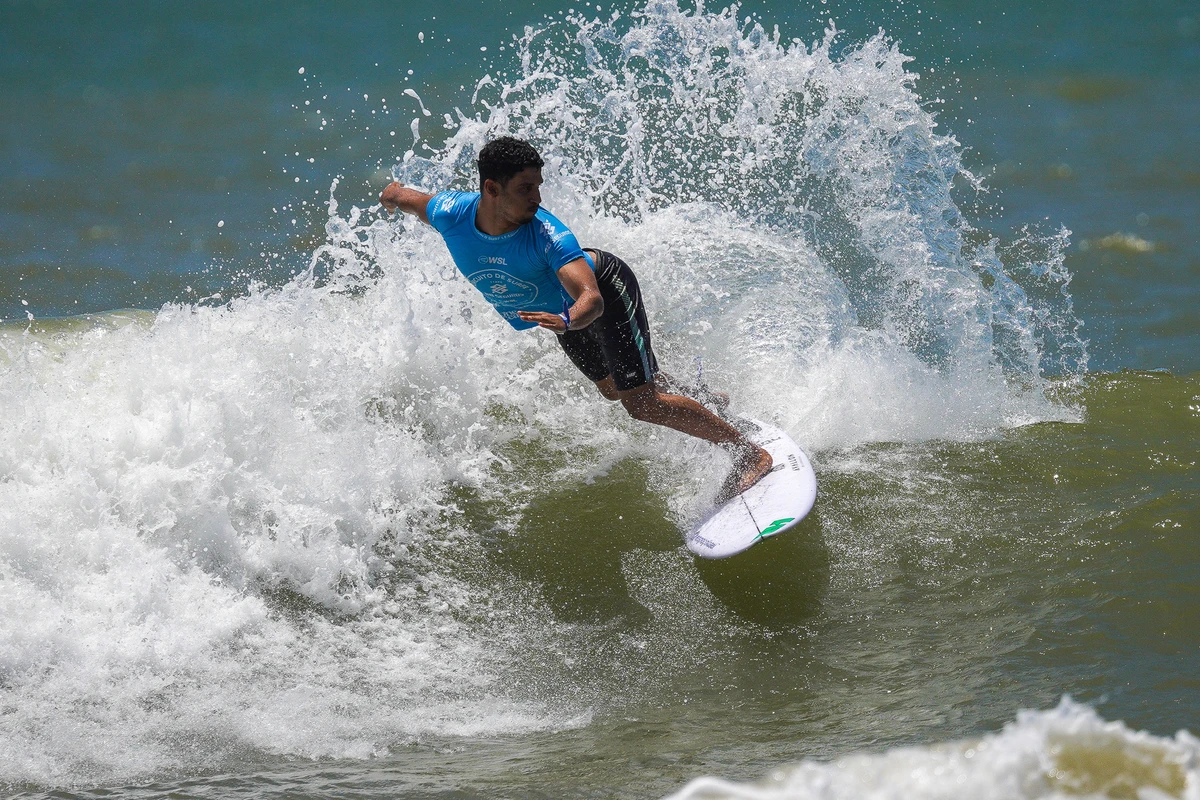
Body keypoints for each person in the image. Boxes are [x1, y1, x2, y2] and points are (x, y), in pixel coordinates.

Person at [378, 136, 772, 500]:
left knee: (641, 404)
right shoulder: (450, 213)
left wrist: (568, 322)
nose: (537, 197)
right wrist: (390, 196)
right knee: (613, 388)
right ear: (491, 189)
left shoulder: (548, 236)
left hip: (602, 291)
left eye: (538, 185)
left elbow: (591, 299)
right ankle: (703, 399)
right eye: (525, 188)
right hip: (561, 312)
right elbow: (401, 195)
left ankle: (748, 454)